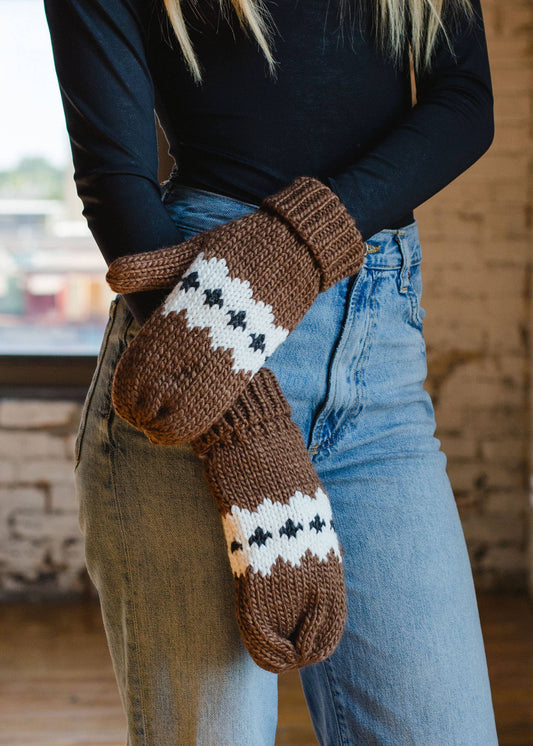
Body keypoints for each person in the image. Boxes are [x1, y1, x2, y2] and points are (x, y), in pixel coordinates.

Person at [44, 0, 499, 743]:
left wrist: (299, 246)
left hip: (377, 364)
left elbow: (465, 102)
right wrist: (244, 427)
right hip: (194, 351)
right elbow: (114, 177)